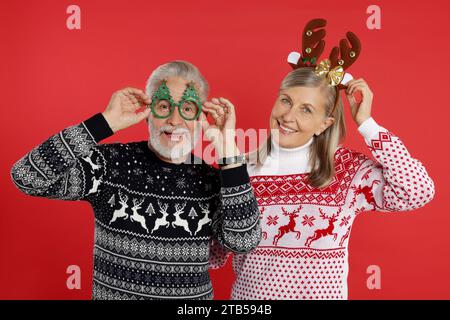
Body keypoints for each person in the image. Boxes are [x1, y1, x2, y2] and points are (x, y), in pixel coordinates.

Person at [209, 19, 435, 300]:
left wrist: (367, 124)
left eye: (306, 110)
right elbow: (214, 255)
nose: (288, 116)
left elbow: (416, 191)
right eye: (285, 100)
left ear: (324, 124)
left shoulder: (347, 171)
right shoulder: (239, 170)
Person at [10, 60, 261, 300]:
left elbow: (244, 241)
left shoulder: (213, 180)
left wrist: (229, 150)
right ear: (149, 112)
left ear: (200, 118)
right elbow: (27, 177)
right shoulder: (110, 165)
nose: (175, 121)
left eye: (187, 109)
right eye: (164, 106)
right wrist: (104, 123)